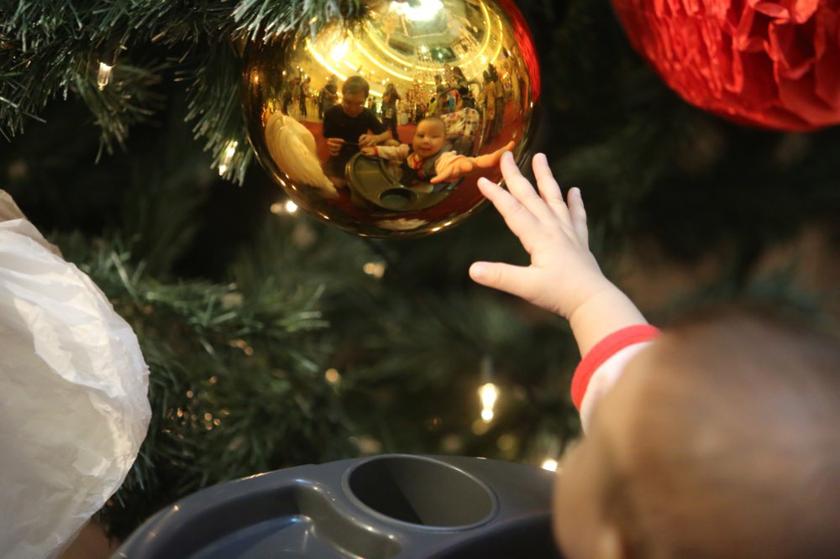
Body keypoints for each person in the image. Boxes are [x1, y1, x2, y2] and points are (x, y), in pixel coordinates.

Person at [469, 152, 840, 559]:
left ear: (615, 545)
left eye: (589, 450)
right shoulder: (650, 457)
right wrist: (583, 292)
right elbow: (626, 365)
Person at [361, 117, 513, 190]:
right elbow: (394, 152)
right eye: (420, 135)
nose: (426, 141)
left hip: (421, 188)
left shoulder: (440, 158)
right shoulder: (409, 150)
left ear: (443, 142)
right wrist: (376, 150)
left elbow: (449, 161)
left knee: (424, 191)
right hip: (402, 177)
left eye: (434, 137)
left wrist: (465, 163)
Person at [322, 76, 391, 186]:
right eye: (348, 102)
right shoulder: (331, 114)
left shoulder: (367, 114)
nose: (353, 109)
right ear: (342, 95)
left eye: (359, 104)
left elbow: (388, 134)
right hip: (339, 158)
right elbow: (326, 138)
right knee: (339, 183)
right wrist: (329, 144)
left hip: (360, 158)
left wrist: (376, 138)